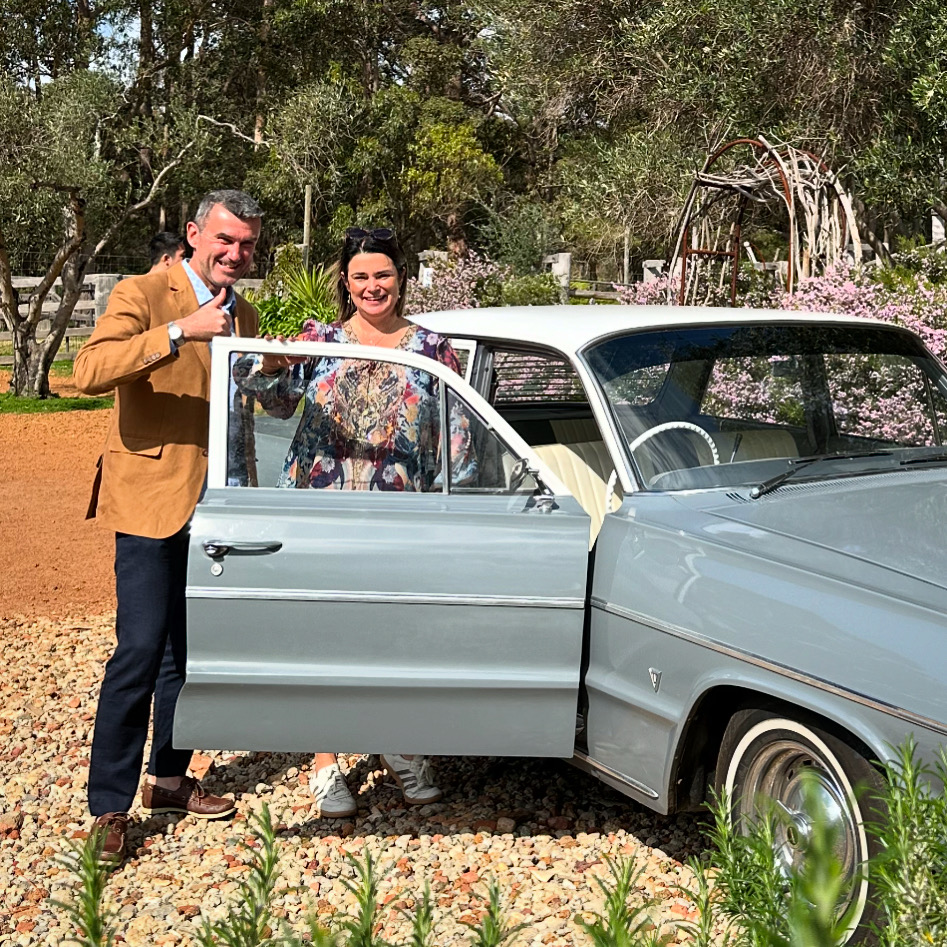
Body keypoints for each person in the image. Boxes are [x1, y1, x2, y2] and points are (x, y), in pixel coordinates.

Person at [234, 226, 474, 817]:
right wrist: (271, 359)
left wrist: (458, 512)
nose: (373, 286)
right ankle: (324, 761)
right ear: (346, 280)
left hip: (403, 514)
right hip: (321, 510)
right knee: (325, 630)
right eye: (361, 276)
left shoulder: (433, 350)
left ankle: (399, 744)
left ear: (402, 279)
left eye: (383, 275)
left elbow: (458, 439)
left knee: (398, 631)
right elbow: (274, 398)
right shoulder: (320, 341)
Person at [73, 190, 263, 864]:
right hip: (150, 500)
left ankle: (170, 777)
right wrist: (182, 331)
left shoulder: (244, 310)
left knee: (193, 652)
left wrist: (279, 375)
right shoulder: (143, 292)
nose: (236, 254)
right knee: (140, 650)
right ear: (194, 234)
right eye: (225, 240)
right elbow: (89, 370)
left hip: (216, 508)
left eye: (246, 244)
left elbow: (249, 401)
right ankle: (108, 808)